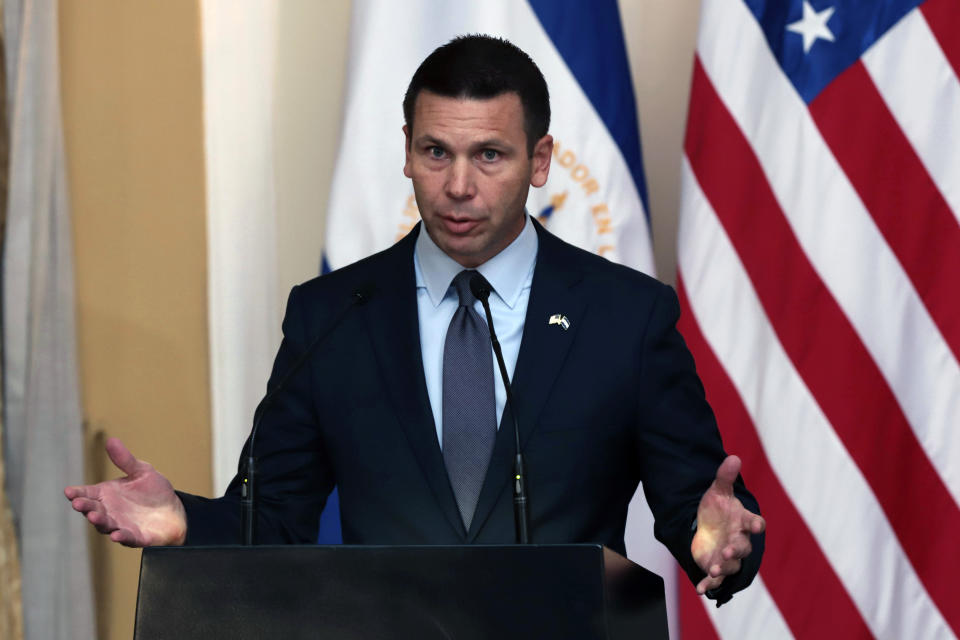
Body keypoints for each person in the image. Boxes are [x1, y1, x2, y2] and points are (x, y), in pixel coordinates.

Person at [66, 35, 764, 605]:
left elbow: (698, 512)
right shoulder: (332, 317)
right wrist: (185, 520)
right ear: (406, 151)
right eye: (437, 153)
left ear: (540, 160)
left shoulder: (624, 316)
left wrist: (718, 543)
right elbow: (272, 517)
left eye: (489, 155)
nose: (459, 185)